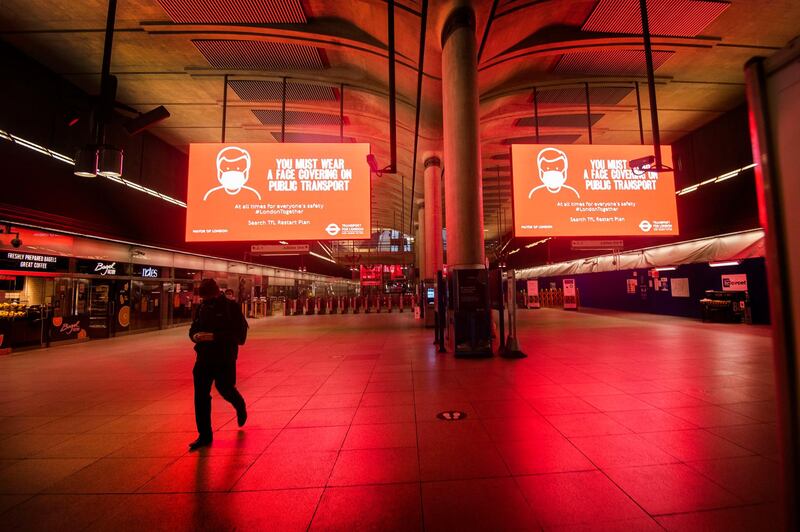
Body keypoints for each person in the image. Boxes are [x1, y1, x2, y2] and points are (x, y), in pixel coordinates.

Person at [188, 278, 248, 450]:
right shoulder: (202, 307)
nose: (205, 301)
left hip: (224, 357)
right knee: (200, 396)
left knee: (225, 388)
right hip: (203, 358)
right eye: (203, 298)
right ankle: (204, 435)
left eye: (207, 297)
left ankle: (239, 404)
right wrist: (195, 336)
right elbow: (193, 329)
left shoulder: (232, 308)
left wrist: (215, 337)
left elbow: (240, 337)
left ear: (216, 292)